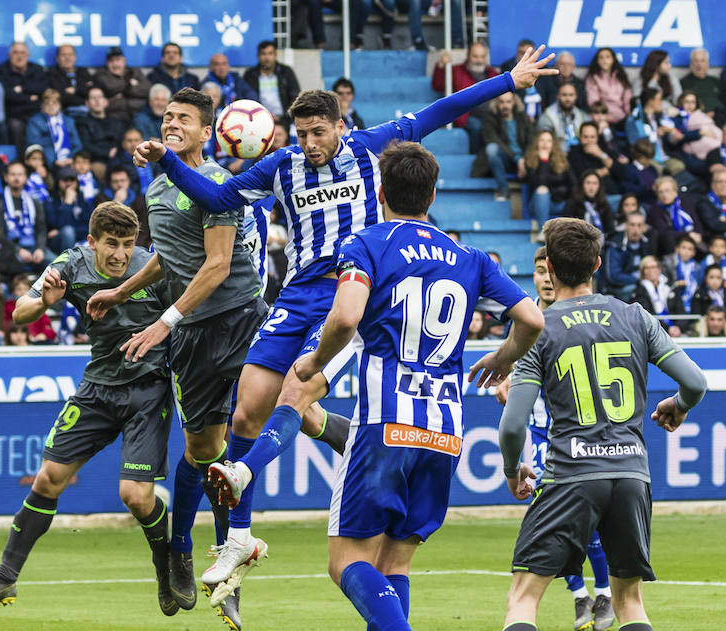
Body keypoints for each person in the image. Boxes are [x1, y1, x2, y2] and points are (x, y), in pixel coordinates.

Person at [127, 45, 558, 603]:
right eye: (300, 133)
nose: (309, 144)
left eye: (317, 133)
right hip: (297, 292)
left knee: (296, 388)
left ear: (339, 126)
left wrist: (509, 80)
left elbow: (439, 111)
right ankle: (237, 538)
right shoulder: (281, 166)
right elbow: (216, 194)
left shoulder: (367, 148)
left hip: (350, 294)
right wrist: (168, 162)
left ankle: (242, 474)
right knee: (248, 405)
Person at [293, 141, 543, 631]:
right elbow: (531, 319)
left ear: (381, 191)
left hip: (384, 424)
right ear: (433, 194)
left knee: (345, 562)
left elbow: (345, 316)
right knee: (394, 565)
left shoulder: (366, 243)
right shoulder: (470, 257)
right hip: (444, 429)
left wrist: (314, 361)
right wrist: (503, 356)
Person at [85, 88, 279, 628]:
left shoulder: (220, 184)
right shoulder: (158, 184)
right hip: (194, 337)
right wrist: (120, 292)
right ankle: (179, 550)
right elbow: (167, 258)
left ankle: (229, 561)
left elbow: (217, 266)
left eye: (183, 119)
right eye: (167, 116)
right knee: (201, 451)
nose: (171, 123)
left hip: (241, 318)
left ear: (207, 130)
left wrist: (159, 322)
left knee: (250, 430)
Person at [0, 202, 175, 614]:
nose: (120, 254)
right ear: (92, 241)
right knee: (47, 480)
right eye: (111, 244)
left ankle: (166, 565)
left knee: (134, 496)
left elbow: (186, 313)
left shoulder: (152, 267)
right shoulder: (70, 264)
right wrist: (45, 302)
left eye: (128, 244)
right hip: (98, 389)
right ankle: (4, 580)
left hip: (147, 391)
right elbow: (20, 312)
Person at [499, 217, 707, 631]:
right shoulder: (636, 316)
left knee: (523, 598)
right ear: (597, 265)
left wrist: (511, 469)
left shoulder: (539, 329)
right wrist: (678, 404)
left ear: (550, 269)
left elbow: (511, 427)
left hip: (571, 474)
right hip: (632, 472)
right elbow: (696, 382)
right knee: (630, 603)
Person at [496, 246, 615, 631]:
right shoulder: (523, 317)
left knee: (587, 523)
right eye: (539, 272)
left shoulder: (578, 314)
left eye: (549, 272)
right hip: (539, 434)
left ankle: (604, 594)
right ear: (535, 275)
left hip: (576, 432)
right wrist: (506, 388)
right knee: (556, 523)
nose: (546, 279)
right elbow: (506, 373)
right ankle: (581, 596)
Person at [431, 43, 499, 153]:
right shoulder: (457, 71)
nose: (479, 60)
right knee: (477, 126)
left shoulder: (492, 74)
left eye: (482, 57)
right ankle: (476, 157)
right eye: (475, 56)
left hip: (490, 116)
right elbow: (438, 85)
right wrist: (441, 65)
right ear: (468, 56)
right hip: (467, 116)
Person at [471, 91, 535, 201]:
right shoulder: (489, 119)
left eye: (508, 102)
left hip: (524, 160)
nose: (505, 106)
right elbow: (494, 141)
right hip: (504, 160)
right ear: (496, 103)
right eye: (502, 102)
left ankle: (534, 199)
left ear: (514, 102)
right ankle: (504, 190)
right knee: (492, 149)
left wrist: (524, 159)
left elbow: (532, 141)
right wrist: (518, 159)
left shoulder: (523, 117)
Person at [0, 161, 48, 271]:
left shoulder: (35, 202)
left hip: (34, 247)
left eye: (20, 175)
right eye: (13, 175)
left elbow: (41, 229)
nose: (16, 178)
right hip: (10, 249)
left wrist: (40, 248)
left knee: (55, 266)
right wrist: (17, 250)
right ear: (6, 177)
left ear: (25, 178)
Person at [0, 42, 48, 151]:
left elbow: (42, 89)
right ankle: (20, 163)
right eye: (15, 52)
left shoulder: (37, 69)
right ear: (9, 55)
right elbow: (6, 95)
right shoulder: (0, 71)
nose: (19, 56)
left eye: (23, 53)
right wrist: (30, 97)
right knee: (15, 127)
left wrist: (21, 89)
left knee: (44, 124)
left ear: (28, 55)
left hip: (35, 113)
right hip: (14, 115)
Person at [524, 129, 573, 230]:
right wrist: (544, 162)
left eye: (549, 141)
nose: (545, 144)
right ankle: (543, 231)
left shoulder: (563, 161)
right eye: (542, 140)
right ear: (537, 143)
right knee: (542, 189)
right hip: (538, 204)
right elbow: (540, 182)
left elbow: (573, 184)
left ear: (553, 144)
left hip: (561, 203)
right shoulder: (530, 161)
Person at [603, 211, 656, 300]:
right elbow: (614, 276)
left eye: (639, 225)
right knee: (639, 290)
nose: (636, 229)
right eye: (632, 225)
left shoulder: (646, 243)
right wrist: (640, 280)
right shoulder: (615, 244)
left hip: (641, 283)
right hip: (616, 289)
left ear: (644, 227)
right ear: (626, 226)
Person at [76, 87, 127, 178]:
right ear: (87, 103)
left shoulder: (116, 121)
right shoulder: (82, 123)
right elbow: (86, 145)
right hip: (97, 160)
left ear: (106, 102)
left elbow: (122, 140)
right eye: (93, 98)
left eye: (100, 97)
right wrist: (107, 152)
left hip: (118, 157)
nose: (97, 101)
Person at [629, 256, 686, 337]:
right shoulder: (638, 292)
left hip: (676, 331)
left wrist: (679, 327)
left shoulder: (671, 288)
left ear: (659, 269)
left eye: (654, 267)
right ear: (643, 271)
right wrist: (667, 329)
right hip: (652, 334)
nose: (652, 270)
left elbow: (681, 310)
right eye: (647, 268)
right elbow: (647, 315)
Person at [25, 89, 83, 168]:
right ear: (42, 105)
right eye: (47, 104)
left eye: (54, 103)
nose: (51, 107)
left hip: (69, 161)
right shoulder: (34, 121)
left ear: (59, 105)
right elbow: (33, 143)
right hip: (47, 163)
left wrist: (70, 158)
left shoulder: (69, 121)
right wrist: (54, 137)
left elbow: (77, 145)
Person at [243, 41, 301, 119]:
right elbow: (246, 100)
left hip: (284, 118)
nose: (267, 58)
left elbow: (295, 97)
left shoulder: (286, 72)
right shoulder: (250, 75)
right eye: (263, 54)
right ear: (258, 56)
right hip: (258, 118)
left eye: (270, 53)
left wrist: (283, 116)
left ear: (275, 55)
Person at [646, 175, 703, 254]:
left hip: (693, 240)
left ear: (675, 192)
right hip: (672, 244)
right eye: (660, 192)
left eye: (667, 191)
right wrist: (688, 235)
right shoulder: (655, 210)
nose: (664, 195)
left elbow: (696, 222)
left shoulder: (685, 203)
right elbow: (664, 231)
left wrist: (698, 234)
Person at [94, 47, 151, 123]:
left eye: (118, 60)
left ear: (124, 61)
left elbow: (148, 89)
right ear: (107, 63)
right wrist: (132, 86)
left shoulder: (135, 72)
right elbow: (110, 88)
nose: (115, 64)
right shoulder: (101, 76)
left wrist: (125, 92)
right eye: (111, 61)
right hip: (115, 115)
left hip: (139, 113)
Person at [567, 121, 622, 198]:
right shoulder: (573, 153)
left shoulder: (604, 149)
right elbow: (582, 176)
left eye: (592, 137)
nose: (589, 140)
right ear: (580, 138)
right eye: (585, 137)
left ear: (597, 138)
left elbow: (620, 172)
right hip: (585, 197)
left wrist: (601, 155)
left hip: (610, 193)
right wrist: (605, 171)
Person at [46, 166, 91, 252]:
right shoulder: (50, 201)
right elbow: (55, 224)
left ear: (77, 182)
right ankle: (67, 264)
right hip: (58, 243)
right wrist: (67, 203)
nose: (69, 183)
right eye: (65, 180)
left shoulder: (83, 200)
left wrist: (60, 230)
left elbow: (89, 226)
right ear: (58, 182)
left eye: (72, 180)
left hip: (81, 240)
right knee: (68, 232)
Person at [537, 82, 589, 154]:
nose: (568, 98)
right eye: (564, 95)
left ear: (576, 96)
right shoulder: (547, 116)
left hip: (580, 156)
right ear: (557, 96)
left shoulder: (583, 116)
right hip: (556, 155)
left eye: (571, 95)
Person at [584, 48, 631, 125]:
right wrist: (604, 117)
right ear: (597, 61)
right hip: (603, 118)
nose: (604, 60)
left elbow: (627, 100)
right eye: (601, 58)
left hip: (622, 117)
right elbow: (593, 102)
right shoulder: (592, 78)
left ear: (613, 59)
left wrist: (629, 115)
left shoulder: (621, 77)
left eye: (607, 57)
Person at [4, 274, 56, 343]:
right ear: (14, 292)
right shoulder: (8, 307)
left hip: (35, 343)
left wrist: (43, 335)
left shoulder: (38, 306)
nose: (22, 292)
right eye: (19, 289)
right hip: (14, 342)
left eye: (26, 289)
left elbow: (50, 331)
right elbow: (5, 327)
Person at [45, 45, 94, 114]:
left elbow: (90, 91)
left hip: (88, 112)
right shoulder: (51, 74)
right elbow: (60, 96)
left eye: (70, 54)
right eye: (63, 55)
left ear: (75, 57)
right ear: (57, 58)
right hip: (64, 112)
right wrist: (83, 96)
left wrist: (75, 89)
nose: (67, 58)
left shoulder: (83, 72)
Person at [563, 170, 614, 235]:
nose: (591, 187)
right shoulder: (572, 204)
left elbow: (610, 230)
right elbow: (565, 228)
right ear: (582, 185)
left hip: (601, 242)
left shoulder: (604, 205)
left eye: (595, 183)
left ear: (599, 186)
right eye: (588, 183)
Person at [664, 235, 701, 313]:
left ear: (694, 252)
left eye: (690, 249)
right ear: (677, 249)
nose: (686, 252)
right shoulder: (668, 262)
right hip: (672, 299)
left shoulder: (697, 267)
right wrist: (676, 284)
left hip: (692, 301)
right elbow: (663, 284)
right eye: (683, 248)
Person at [680, 48, 722, 114]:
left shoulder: (716, 81)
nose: (699, 64)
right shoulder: (683, 83)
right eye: (696, 61)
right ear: (691, 63)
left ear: (708, 64)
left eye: (702, 61)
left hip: (718, 117)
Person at [622, 139, 660, 207]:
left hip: (656, 201)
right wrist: (647, 188)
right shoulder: (629, 170)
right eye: (647, 158)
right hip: (642, 203)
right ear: (639, 156)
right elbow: (628, 190)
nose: (650, 161)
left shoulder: (652, 169)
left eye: (651, 157)